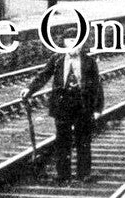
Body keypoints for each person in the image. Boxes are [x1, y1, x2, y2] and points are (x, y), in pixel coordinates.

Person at [20, 28, 104, 184]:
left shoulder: (89, 62)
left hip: (82, 105)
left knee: (83, 140)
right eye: (70, 41)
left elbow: (97, 86)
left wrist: (98, 108)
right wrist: (30, 89)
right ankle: (63, 174)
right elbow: (43, 75)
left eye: (76, 41)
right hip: (62, 104)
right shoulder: (57, 60)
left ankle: (83, 173)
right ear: (64, 43)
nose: (73, 44)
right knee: (62, 140)